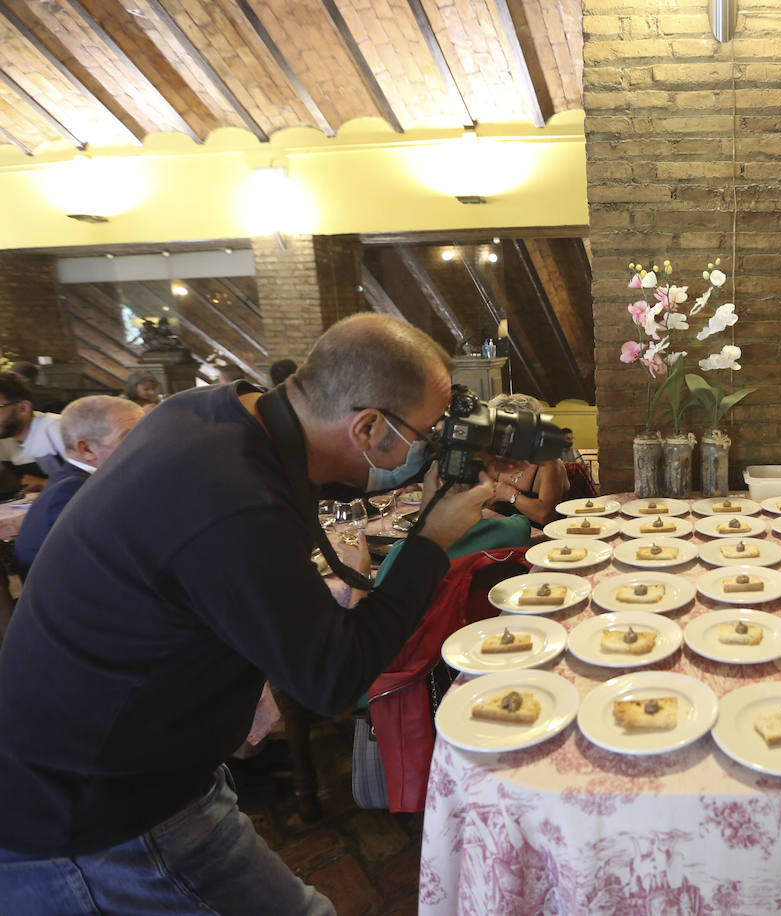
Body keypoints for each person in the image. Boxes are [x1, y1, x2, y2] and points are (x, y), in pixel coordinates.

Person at [0, 314, 495, 915]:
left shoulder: (214, 410)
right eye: (427, 432)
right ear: (368, 427)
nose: (432, 445)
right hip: (97, 809)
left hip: (114, 765)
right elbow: (334, 677)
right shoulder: (233, 497)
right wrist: (430, 543)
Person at [13, 396, 144, 573]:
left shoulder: (82, 483)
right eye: (130, 437)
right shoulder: (70, 495)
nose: (146, 444)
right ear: (86, 449)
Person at [487, 393, 570, 526]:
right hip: (508, 534)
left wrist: (510, 495)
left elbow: (546, 516)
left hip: (543, 542)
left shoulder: (549, 463)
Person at [0, 372, 66, 494]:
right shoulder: (4, 440)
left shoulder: (58, 428)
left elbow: (95, 478)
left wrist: (43, 483)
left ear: (23, 408)